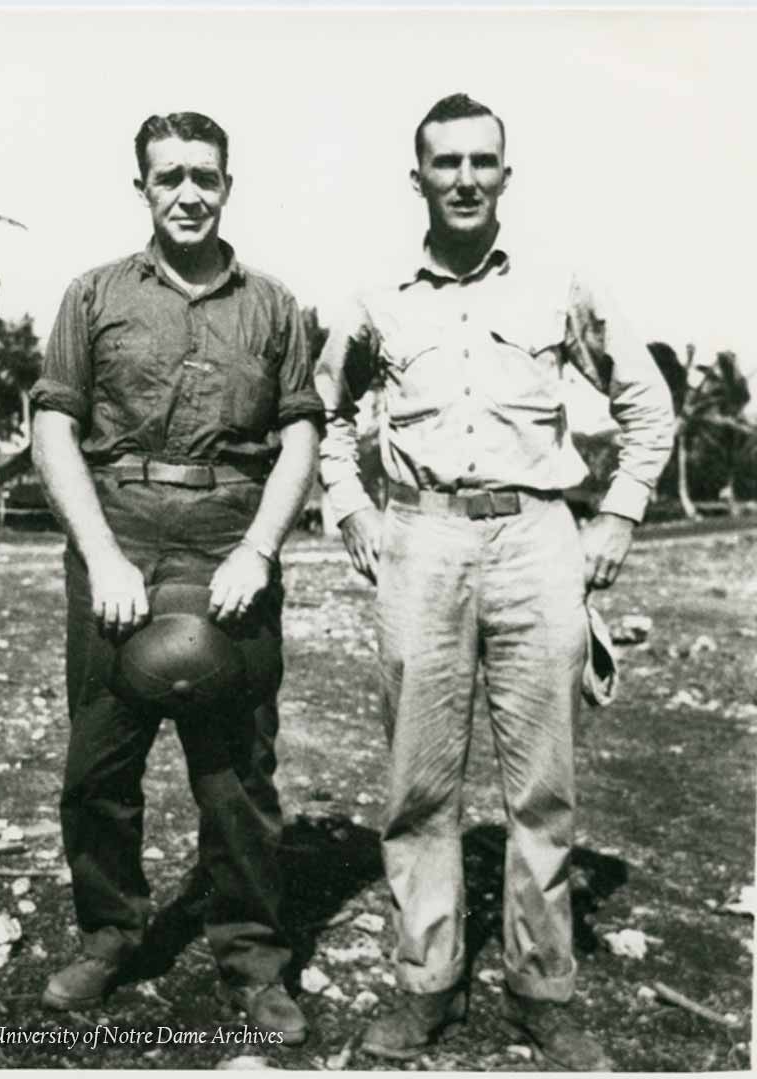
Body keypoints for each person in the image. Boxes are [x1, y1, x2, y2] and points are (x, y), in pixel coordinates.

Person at [315, 92, 674, 1067]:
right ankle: (427, 979)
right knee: (418, 780)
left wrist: (616, 516)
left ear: (504, 176)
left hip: (537, 542)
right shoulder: (375, 297)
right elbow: (324, 416)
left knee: (541, 785)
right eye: (445, 162)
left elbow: (648, 408)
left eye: (482, 162)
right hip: (421, 539)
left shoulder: (560, 284)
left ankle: (539, 984)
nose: (464, 178)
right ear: (418, 177)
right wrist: (352, 510)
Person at [31, 111, 323, 1044]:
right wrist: (105, 554)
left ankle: (252, 957)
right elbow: (52, 430)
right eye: (169, 178)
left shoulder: (274, 306)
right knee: (98, 768)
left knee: (237, 774)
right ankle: (111, 933)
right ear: (143, 190)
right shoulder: (92, 297)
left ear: (229, 184)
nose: (188, 192)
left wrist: (259, 551)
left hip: (230, 539)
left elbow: (302, 435)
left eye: (205, 175)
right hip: (118, 539)